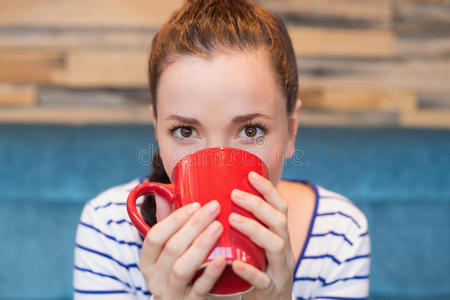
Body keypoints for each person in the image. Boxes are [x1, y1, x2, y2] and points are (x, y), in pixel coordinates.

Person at [73, 0, 371, 299]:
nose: (217, 163)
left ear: (291, 131)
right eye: (185, 131)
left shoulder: (339, 234)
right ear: (156, 128)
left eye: (251, 130)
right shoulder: (110, 226)